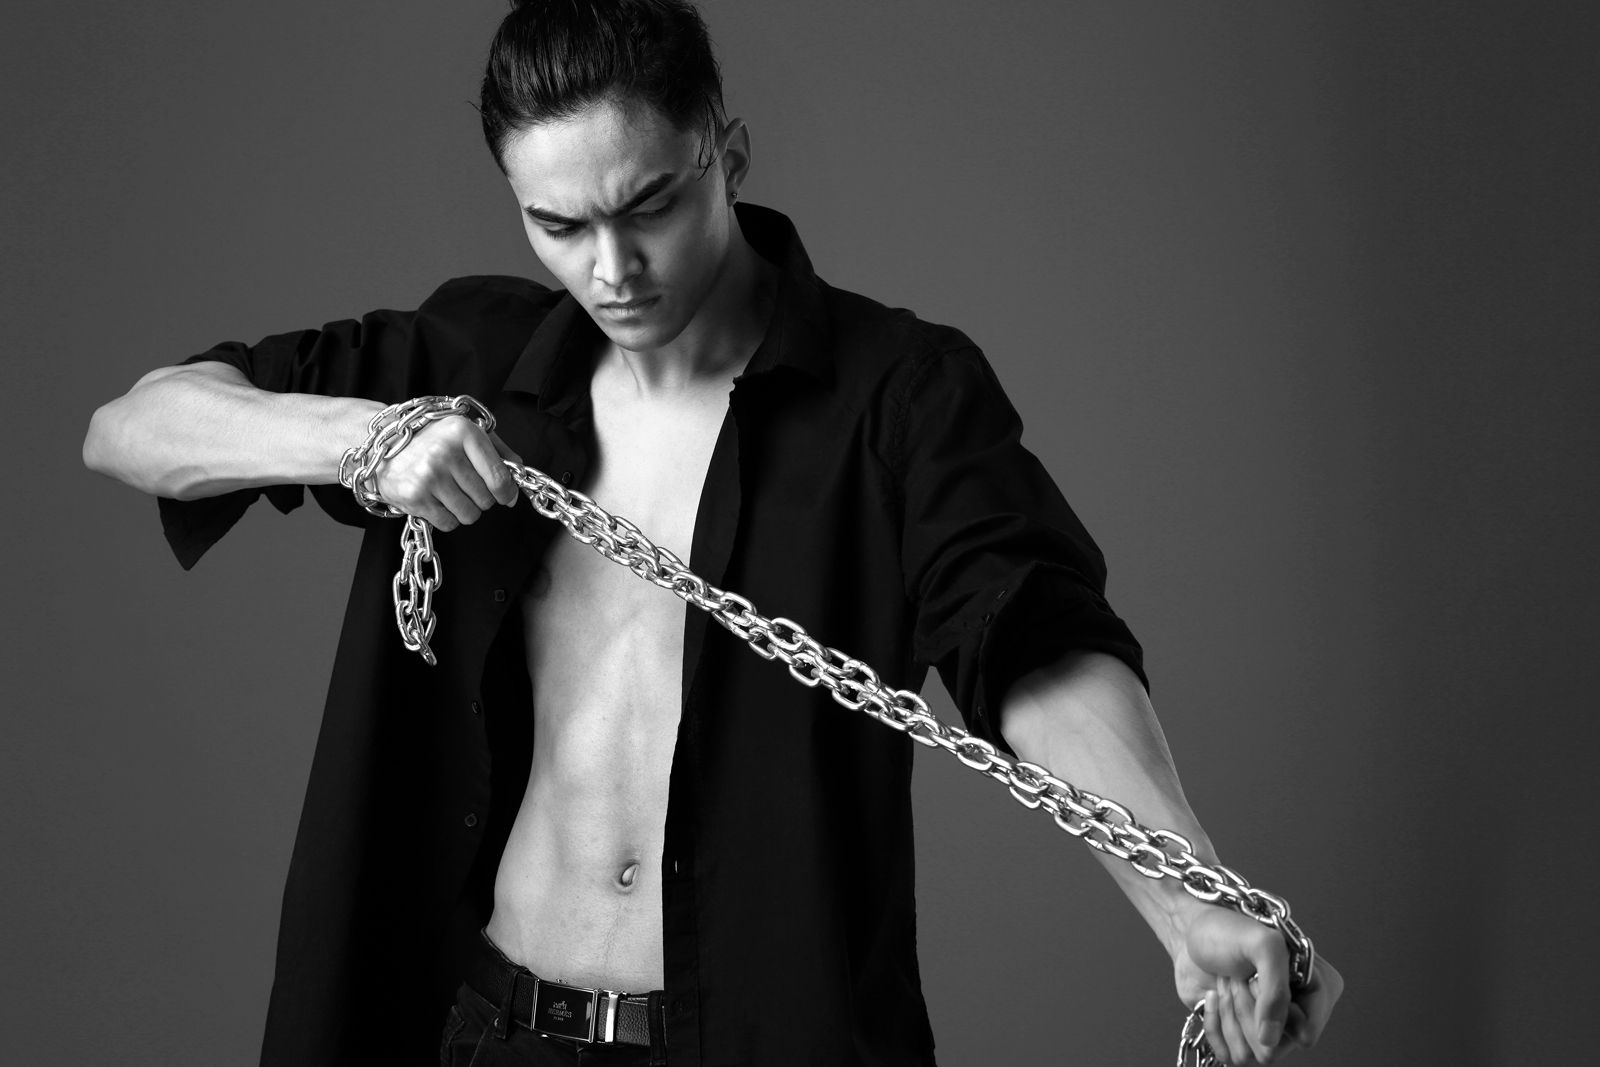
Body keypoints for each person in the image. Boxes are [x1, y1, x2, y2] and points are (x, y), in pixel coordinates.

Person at [83, 2, 1342, 1064]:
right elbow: (135, 427)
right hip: (489, 1028)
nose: (612, 268)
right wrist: (365, 440)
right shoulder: (467, 363)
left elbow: (1034, 643)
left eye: (651, 206)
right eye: (559, 226)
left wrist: (1187, 897)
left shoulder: (897, 396)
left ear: (726, 154)